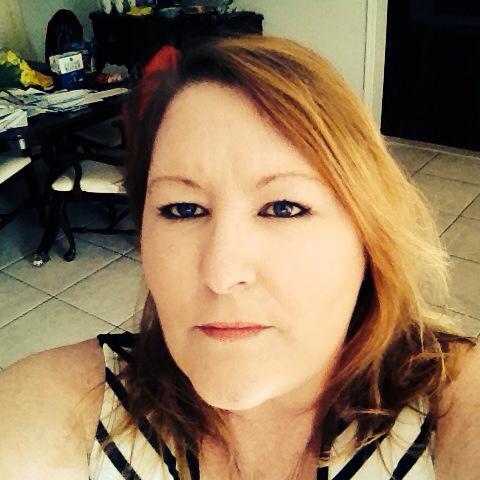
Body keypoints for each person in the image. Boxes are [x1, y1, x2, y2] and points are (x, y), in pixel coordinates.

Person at [1, 34, 479, 480]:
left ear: (369, 235)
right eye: (183, 209)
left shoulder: (452, 401)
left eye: (284, 207)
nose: (222, 273)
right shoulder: (72, 404)